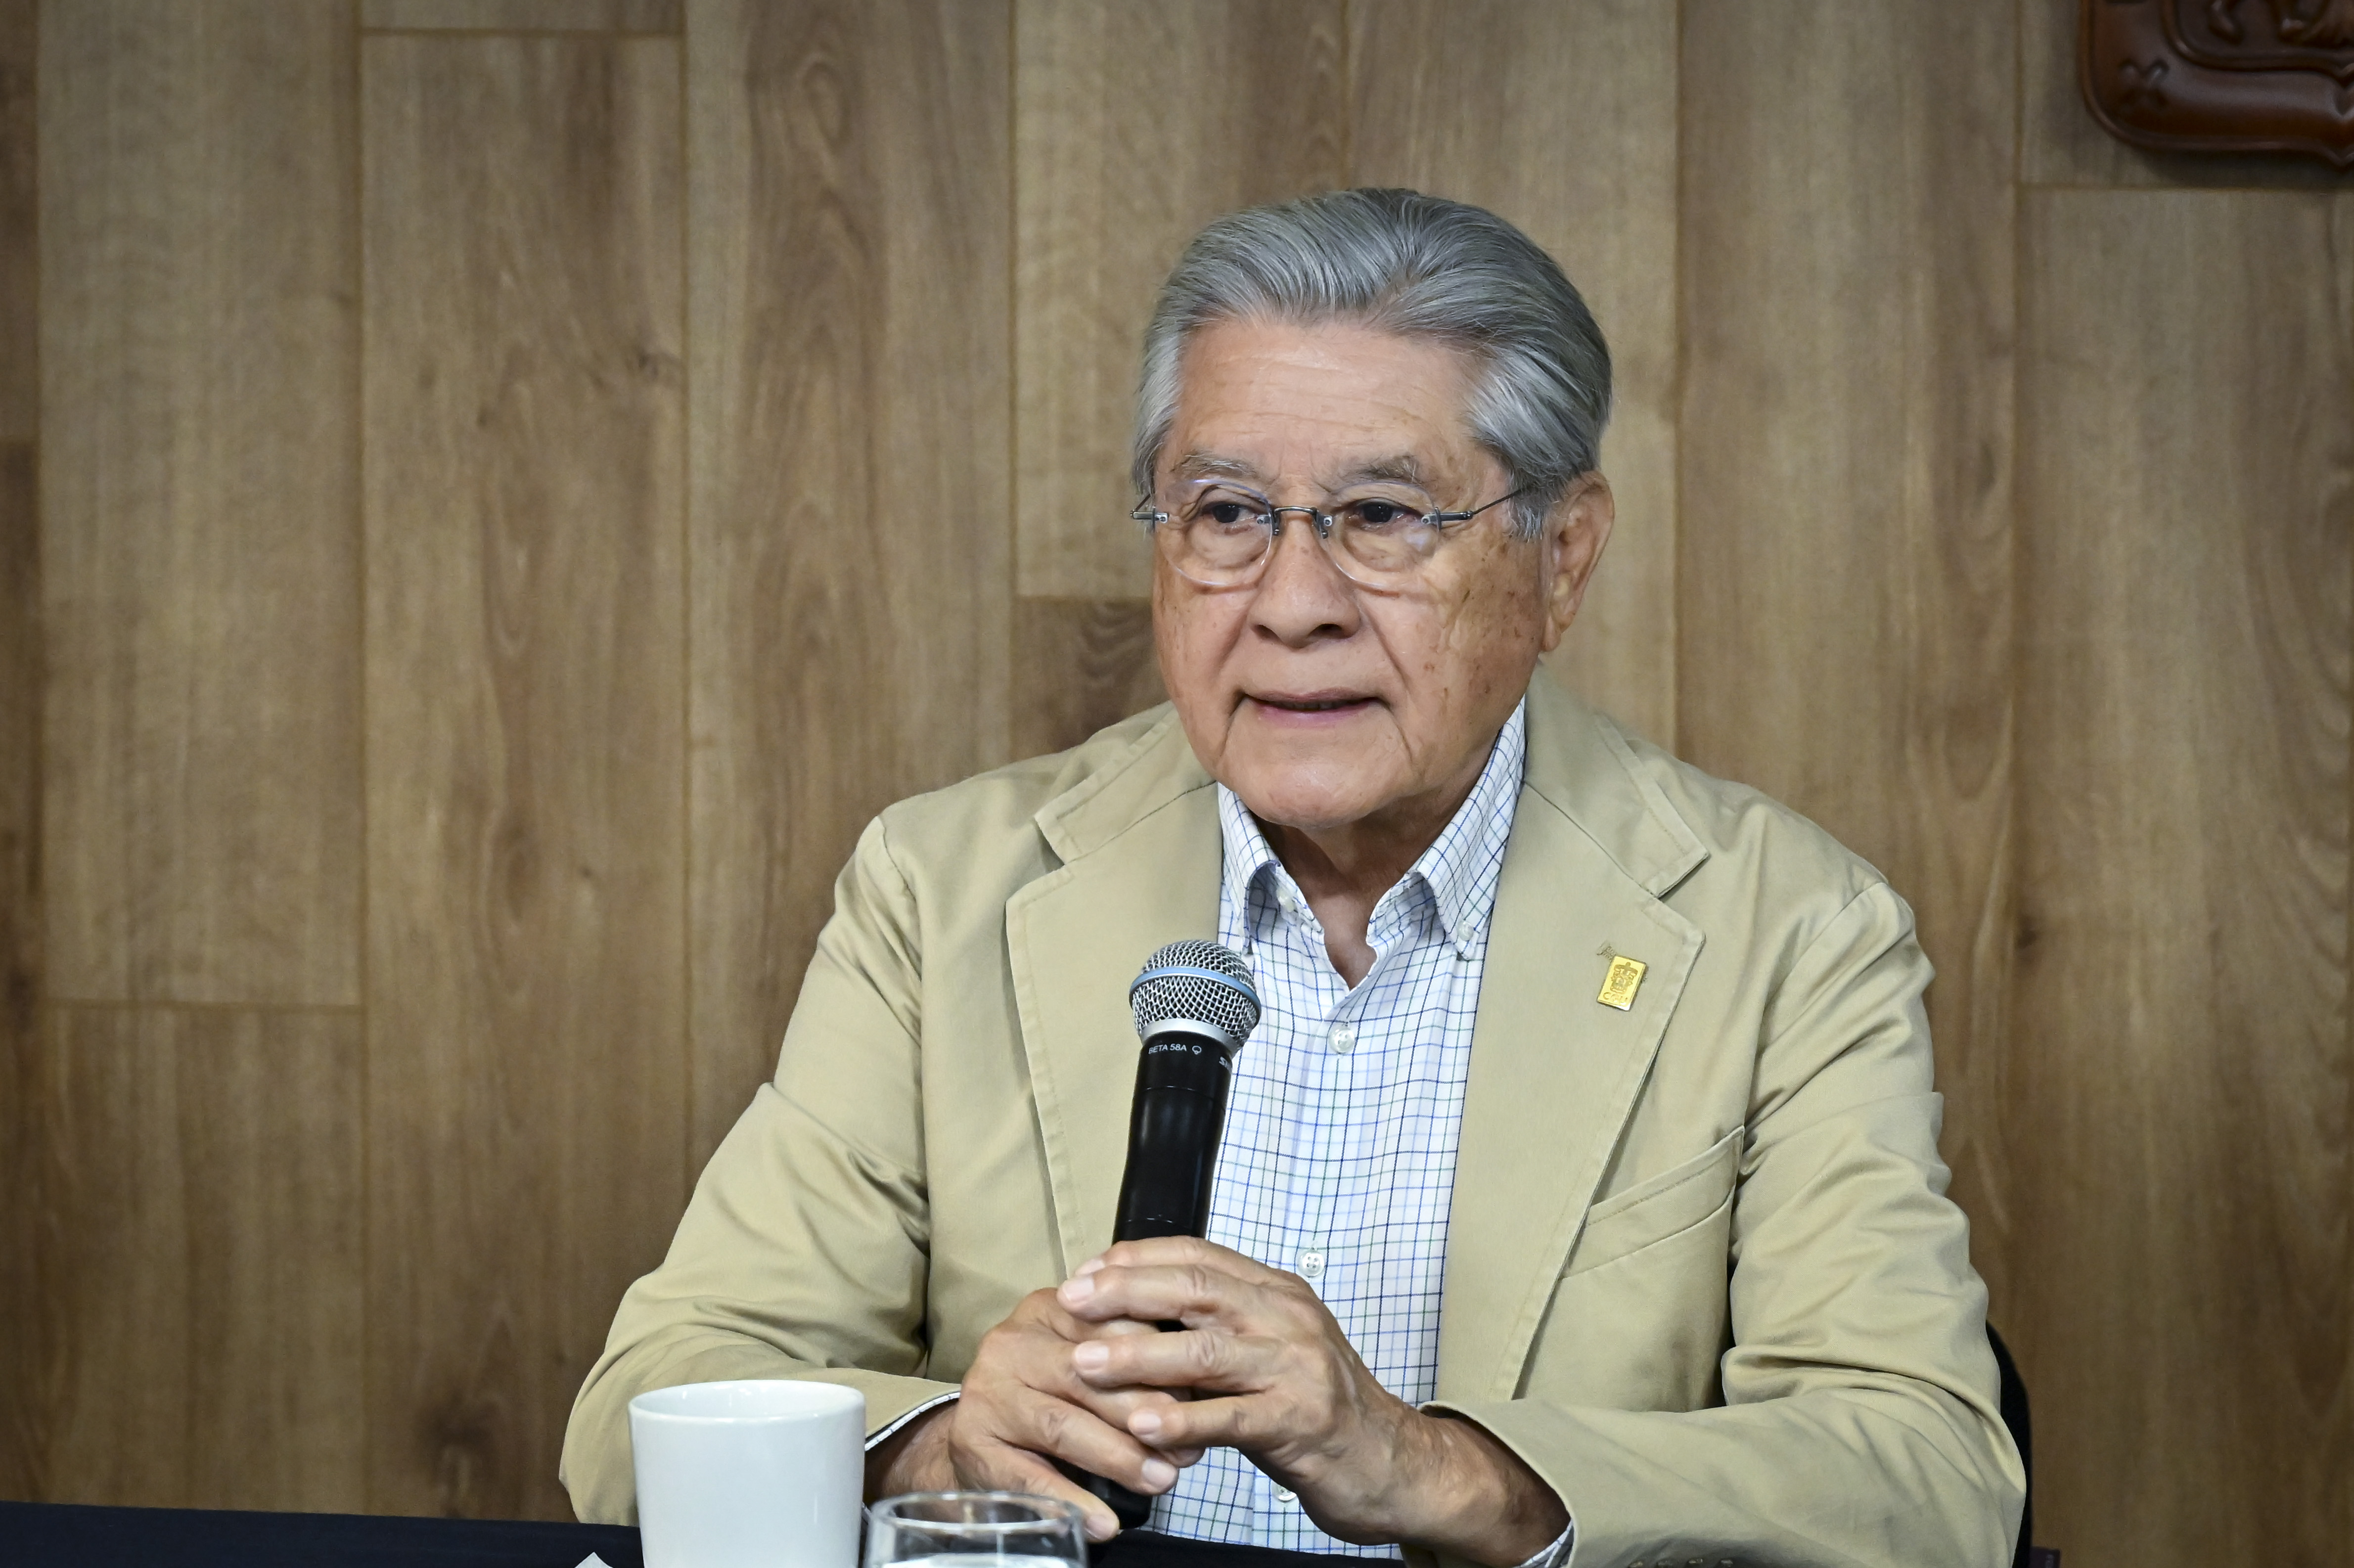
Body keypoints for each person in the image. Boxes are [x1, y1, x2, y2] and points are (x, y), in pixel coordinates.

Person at [561, 189, 2023, 1568]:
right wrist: (943, 1449)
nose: (1293, 604)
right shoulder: (945, 888)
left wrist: (1429, 1466)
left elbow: (1931, 1476)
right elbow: (650, 1403)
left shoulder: (1786, 928)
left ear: (1562, 559)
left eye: (1383, 516)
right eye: (1227, 513)